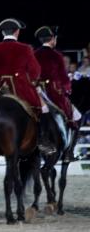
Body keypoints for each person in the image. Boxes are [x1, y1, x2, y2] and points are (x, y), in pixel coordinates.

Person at [0, 18, 52, 154]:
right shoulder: (25, 48)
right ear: (17, 32)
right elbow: (35, 72)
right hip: (20, 87)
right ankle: (43, 140)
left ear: (3, 32)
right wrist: (30, 79)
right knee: (44, 108)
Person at [34, 26, 83, 160]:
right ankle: (69, 152)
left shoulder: (34, 54)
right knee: (77, 117)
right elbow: (62, 77)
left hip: (37, 90)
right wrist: (68, 87)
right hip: (53, 92)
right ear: (53, 40)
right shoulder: (56, 55)